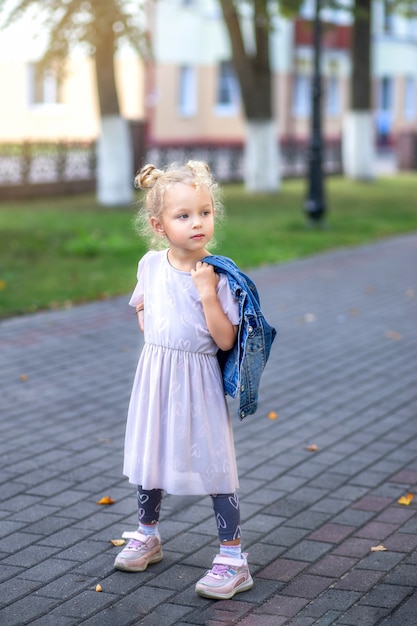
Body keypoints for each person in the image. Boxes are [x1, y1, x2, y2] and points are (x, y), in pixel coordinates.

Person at [114, 160, 254, 600]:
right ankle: (147, 534)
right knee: (151, 451)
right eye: (184, 215)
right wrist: (151, 329)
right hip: (156, 375)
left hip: (197, 379)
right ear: (158, 225)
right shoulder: (151, 264)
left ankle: (232, 558)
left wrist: (207, 294)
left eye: (205, 212)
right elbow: (141, 304)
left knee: (214, 461)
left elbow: (226, 338)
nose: (198, 223)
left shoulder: (217, 274)